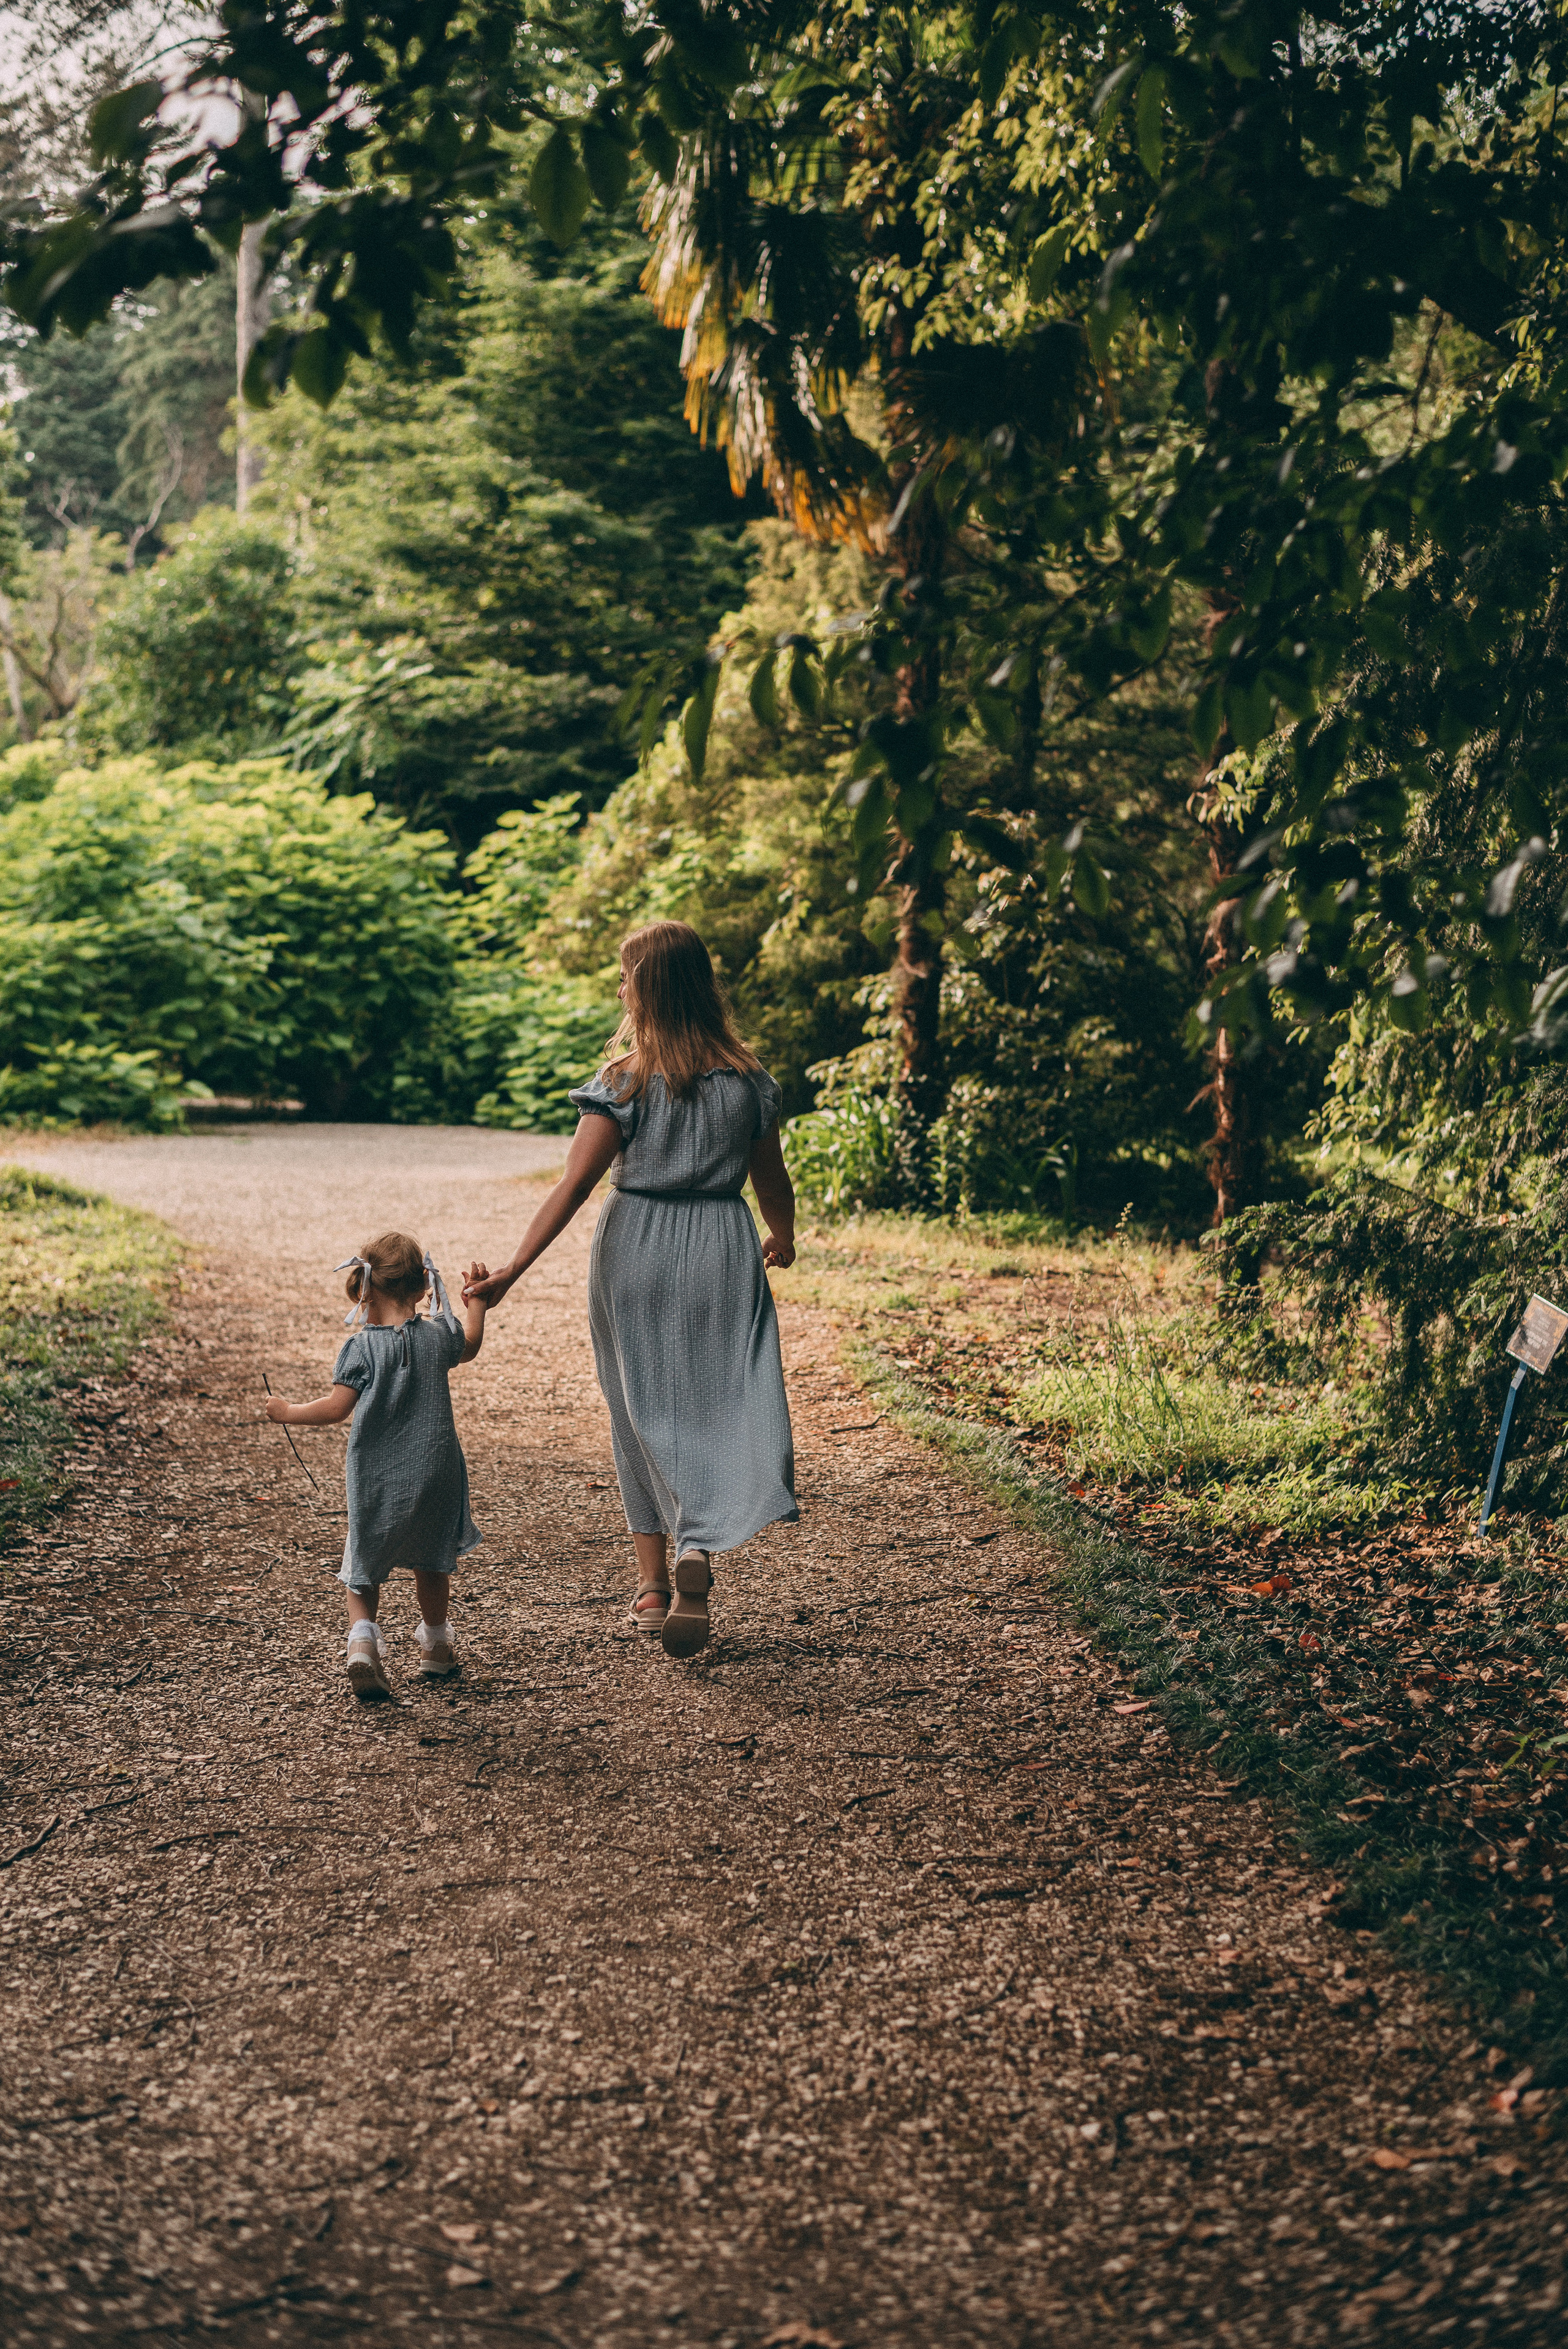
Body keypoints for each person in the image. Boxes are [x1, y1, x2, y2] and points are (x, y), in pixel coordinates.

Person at [465, 920, 798, 1658]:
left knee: (637, 1407)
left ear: (647, 988)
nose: (619, 987)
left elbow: (573, 1186)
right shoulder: (748, 1082)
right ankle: (697, 1545)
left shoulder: (625, 1080)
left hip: (637, 1245)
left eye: (625, 976)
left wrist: (513, 1270)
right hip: (721, 1242)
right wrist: (782, 1235)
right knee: (720, 1402)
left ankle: (651, 1586)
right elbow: (772, 1181)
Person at [266, 1231, 489, 1699]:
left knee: (363, 1560)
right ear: (423, 1287)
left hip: (377, 1477)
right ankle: (437, 1646)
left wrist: (288, 1412)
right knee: (432, 1561)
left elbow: (335, 1408)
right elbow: (469, 1345)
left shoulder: (361, 1349)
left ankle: (363, 1643)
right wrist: (477, 1304)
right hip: (437, 1474)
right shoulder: (439, 1336)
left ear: (366, 1292)